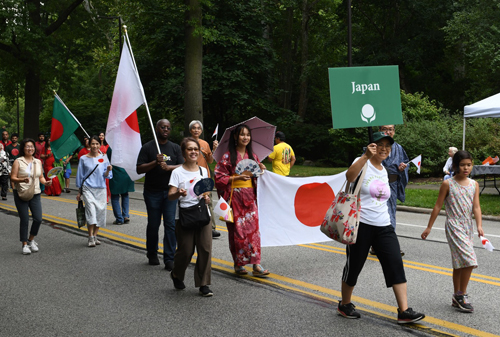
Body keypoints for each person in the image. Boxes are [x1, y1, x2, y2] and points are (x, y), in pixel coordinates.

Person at [337, 131, 425, 324]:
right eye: (380, 145)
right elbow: (350, 177)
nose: (384, 149)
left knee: (395, 262)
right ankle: (345, 303)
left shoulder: (384, 170)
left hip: (383, 225)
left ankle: (404, 311)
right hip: (361, 224)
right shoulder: (362, 162)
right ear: (372, 146)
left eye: (388, 146)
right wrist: (365, 156)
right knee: (354, 266)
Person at [421, 150, 483, 313]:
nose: (466, 168)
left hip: (467, 225)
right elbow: (437, 206)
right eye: (462, 165)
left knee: (459, 263)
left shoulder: (474, 184)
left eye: (469, 165)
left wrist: (479, 225)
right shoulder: (448, 184)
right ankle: (462, 294)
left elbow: (476, 207)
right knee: (469, 259)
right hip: (454, 225)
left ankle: (457, 296)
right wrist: (429, 227)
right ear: (455, 166)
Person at [214, 124, 270, 277]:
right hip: (235, 198)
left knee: (254, 232)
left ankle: (256, 264)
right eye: (242, 135)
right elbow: (218, 177)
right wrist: (236, 177)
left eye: (247, 135)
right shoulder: (227, 157)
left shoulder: (253, 156)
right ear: (235, 137)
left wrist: (261, 168)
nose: (245, 138)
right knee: (237, 232)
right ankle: (239, 263)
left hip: (251, 198)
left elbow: (256, 174)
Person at [168, 137, 213, 296]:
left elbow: (206, 191)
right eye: (190, 149)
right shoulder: (177, 172)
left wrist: (206, 197)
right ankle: (177, 274)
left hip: (202, 214)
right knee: (186, 251)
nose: (193, 152)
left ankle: (203, 284)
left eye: (196, 149)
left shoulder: (203, 170)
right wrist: (178, 192)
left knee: (205, 249)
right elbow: (170, 195)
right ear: (183, 152)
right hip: (185, 216)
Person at [137, 119, 184, 270]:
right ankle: (152, 253)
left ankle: (169, 258)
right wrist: (154, 163)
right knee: (153, 224)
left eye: (168, 128)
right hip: (152, 192)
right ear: (156, 129)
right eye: (163, 127)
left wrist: (169, 167)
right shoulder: (148, 147)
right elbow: (139, 169)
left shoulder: (175, 148)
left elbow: (183, 166)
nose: (166, 129)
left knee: (170, 224)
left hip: (170, 192)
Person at [10, 138, 52, 254]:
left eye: (32, 146)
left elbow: (41, 177)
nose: (30, 148)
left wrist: (45, 182)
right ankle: (24, 245)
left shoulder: (38, 161)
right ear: (23, 148)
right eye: (27, 146)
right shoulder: (18, 161)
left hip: (35, 193)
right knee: (24, 219)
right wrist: (21, 179)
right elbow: (12, 177)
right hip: (21, 193)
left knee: (38, 219)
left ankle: (30, 240)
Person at [76, 135, 113, 247]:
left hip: (101, 189)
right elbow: (80, 176)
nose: (95, 146)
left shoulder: (103, 158)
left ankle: (95, 235)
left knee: (100, 213)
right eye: (93, 143)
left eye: (97, 143)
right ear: (89, 144)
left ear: (99, 144)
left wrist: (107, 170)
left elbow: (107, 176)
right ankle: (90, 236)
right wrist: (79, 191)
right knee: (91, 212)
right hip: (88, 188)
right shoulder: (83, 158)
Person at [377, 125, 408, 256]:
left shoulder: (398, 148)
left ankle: (389, 245)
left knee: (390, 214)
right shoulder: (373, 146)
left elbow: (406, 162)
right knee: (379, 214)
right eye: (385, 129)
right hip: (377, 186)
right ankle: (380, 245)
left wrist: (403, 167)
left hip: (392, 184)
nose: (388, 132)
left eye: (391, 129)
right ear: (379, 130)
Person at [188, 120, 221, 238]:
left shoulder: (204, 143)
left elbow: (210, 161)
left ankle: (211, 228)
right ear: (190, 130)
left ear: (201, 131)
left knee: (208, 202)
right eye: (194, 128)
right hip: (192, 176)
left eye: (198, 128)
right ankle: (194, 224)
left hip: (204, 176)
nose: (196, 130)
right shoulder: (186, 143)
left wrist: (213, 150)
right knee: (193, 201)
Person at [108, 147, 134, 225]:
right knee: (125, 194)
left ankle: (119, 218)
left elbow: (108, 160)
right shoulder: (127, 146)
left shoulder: (111, 147)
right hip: (126, 174)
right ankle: (125, 215)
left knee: (115, 196)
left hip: (116, 174)